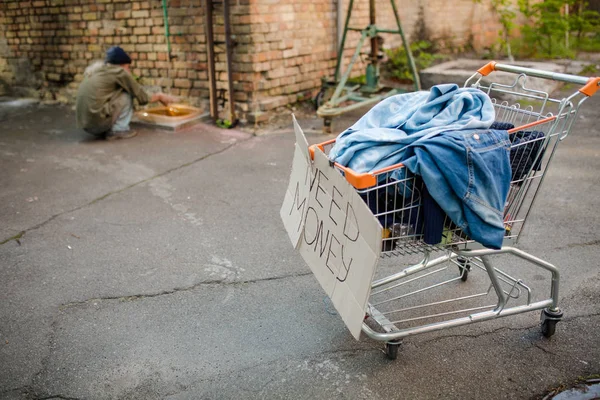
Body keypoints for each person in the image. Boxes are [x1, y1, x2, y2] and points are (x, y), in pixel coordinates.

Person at [76, 46, 177, 140]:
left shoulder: (98, 71)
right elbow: (142, 97)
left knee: (119, 92)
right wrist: (160, 96)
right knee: (126, 94)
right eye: (128, 67)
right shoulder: (119, 72)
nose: (129, 70)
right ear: (122, 65)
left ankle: (109, 127)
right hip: (97, 125)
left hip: (86, 125)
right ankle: (119, 130)